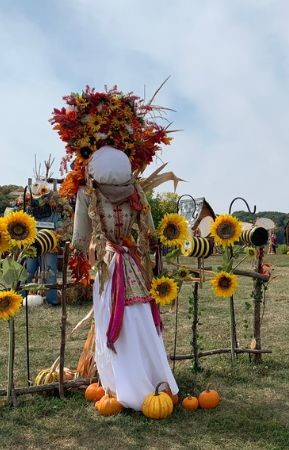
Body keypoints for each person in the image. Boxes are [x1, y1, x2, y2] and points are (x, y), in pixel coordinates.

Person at [72, 146, 178, 408]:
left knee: (112, 320)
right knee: (140, 322)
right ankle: (154, 378)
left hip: (108, 265)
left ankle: (120, 386)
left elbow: (79, 240)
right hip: (132, 264)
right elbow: (150, 232)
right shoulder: (136, 191)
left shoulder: (87, 194)